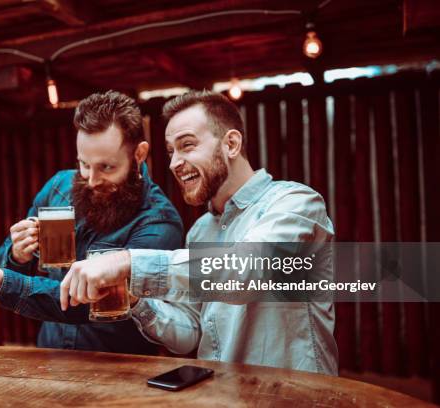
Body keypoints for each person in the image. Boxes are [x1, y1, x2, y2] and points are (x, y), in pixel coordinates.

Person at [59, 91, 339, 375]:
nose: (173, 163)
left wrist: (128, 262)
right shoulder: (200, 231)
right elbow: (191, 333)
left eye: (187, 145)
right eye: (171, 151)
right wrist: (135, 299)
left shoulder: (296, 203)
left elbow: (246, 270)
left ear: (231, 143)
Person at [0, 90, 184, 355]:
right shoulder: (60, 185)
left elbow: (84, 304)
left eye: (107, 167)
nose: (91, 180)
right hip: (49, 356)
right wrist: (17, 253)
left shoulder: (158, 222)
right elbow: (11, 260)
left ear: (139, 154)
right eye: (84, 164)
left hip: (118, 371)